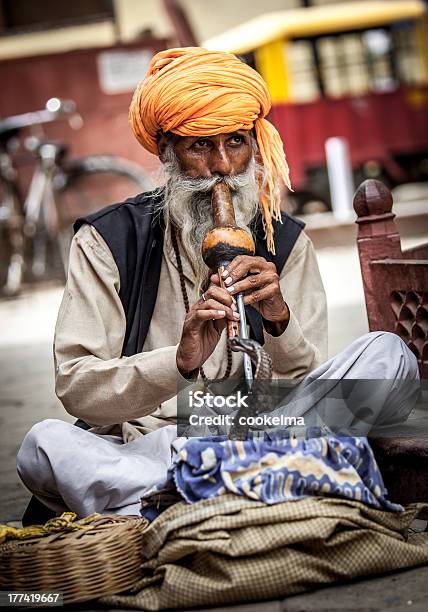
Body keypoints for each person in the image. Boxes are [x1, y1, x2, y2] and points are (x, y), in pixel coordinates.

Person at [17, 47, 419, 520]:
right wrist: (179, 363)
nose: (223, 167)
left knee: (387, 355)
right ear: (167, 151)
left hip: (270, 430)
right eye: (200, 146)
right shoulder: (107, 240)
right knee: (43, 446)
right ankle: (270, 483)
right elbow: (78, 387)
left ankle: (203, 494)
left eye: (236, 142)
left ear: (255, 143)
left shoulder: (284, 241)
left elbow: (307, 382)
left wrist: (279, 319)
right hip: (158, 448)